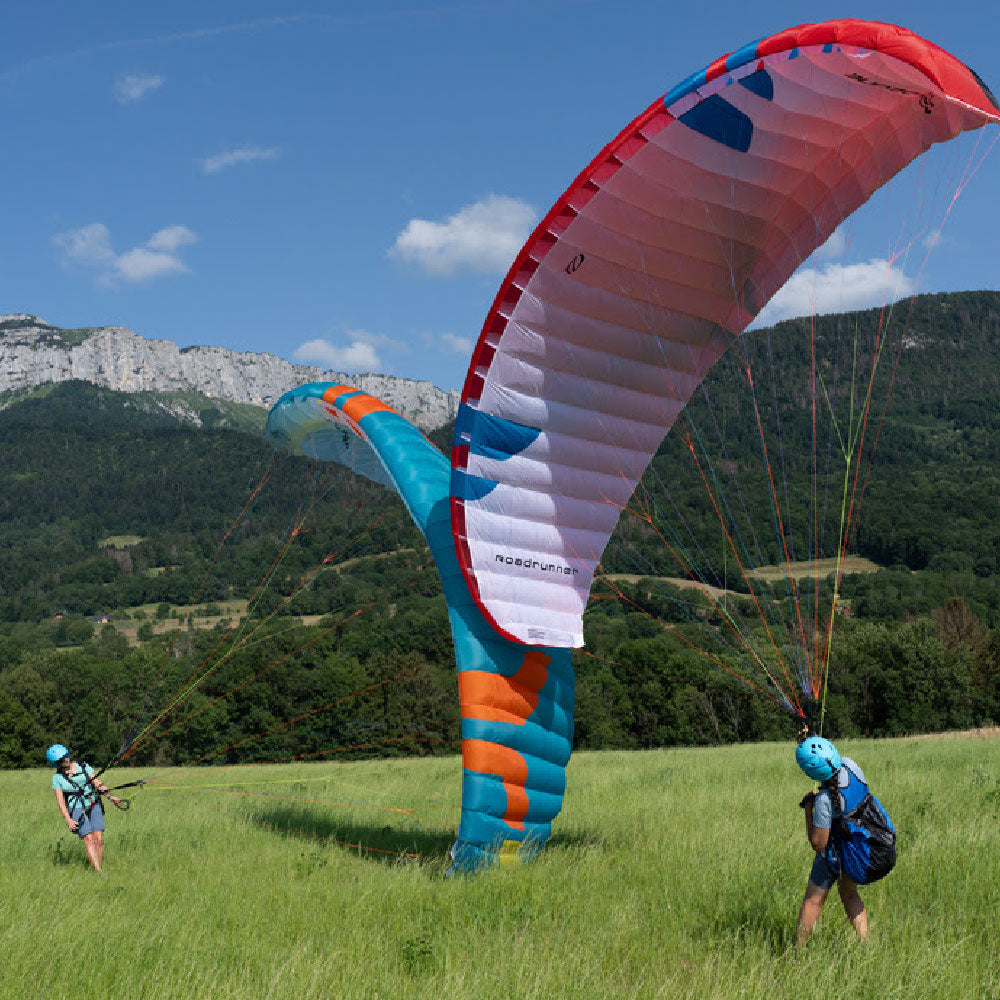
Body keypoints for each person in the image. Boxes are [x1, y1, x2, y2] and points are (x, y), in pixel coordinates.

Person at [794, 733, 869, 946]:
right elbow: (824, 756)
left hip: (838, 852)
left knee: (813, 901)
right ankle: (866, 946)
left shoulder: (825, 800)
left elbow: (818, 843)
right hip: (859, 847)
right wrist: (809, 739)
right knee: (849, 893)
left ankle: (797, 954)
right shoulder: (851, 766)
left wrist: (809, 807)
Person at [47, 744, 121, 873]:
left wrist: (110, 797)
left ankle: (98, 866)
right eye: (61, 760)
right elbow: (61, 802)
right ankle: (99, 872)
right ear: (56, 763)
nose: (65, 760)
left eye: (66, 756)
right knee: (89, 839)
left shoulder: (83, 766)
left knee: (98, 839)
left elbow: (97, 783)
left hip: (93, 802)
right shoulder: (57, 778)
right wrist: (68, 820)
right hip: (75, 807)